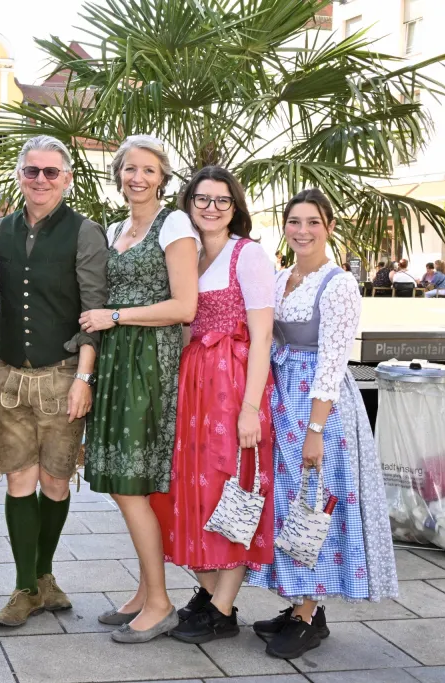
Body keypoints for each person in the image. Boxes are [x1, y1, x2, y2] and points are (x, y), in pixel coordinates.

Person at [246, 189, 398, 659]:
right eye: (294, 221)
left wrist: (316, 430)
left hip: (319, 408)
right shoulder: (281, 277)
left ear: (329, 226)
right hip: (282, 400)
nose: (303, 230)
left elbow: (332, 362)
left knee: (315, 502)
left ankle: (309, 614)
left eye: (313, 221)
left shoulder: (339, 284)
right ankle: (301, 606)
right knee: (291, 503)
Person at [80, 135, 199, 643]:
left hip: (151, 361)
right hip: (115, 361)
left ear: (163, 176)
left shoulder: (174, 224)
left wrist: (117, 316)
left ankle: (160, 602)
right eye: (130, 169)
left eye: (149, 170)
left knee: (133, 488)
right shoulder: (114, 227)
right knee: (125, 486)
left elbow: (184, 307)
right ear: (119, 175)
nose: (138, 178)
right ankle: (144, 590)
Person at [150, 167, 276, 644]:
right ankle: (211, 595)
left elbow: (262, 335)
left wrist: (249, 408)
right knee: (199, 493)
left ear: (235, 207)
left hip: (235, 380)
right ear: (189, 203)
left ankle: (221, 609)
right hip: (196, 382)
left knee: (234, 486)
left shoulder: (250, 254)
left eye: (222, 200)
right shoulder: (192, 255)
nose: (211, 207)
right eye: (202, 199)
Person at [0, 135, 107, 627]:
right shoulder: (0, 231)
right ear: (20, 175)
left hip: (62, 374)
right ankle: (25, 587)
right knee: (20, 479)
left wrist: (84, 376)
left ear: (67, 179)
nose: (40, 180)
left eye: (50, 172)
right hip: (10, 374)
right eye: (32, 171)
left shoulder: (85, 232)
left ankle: (44, 575)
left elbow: (93, 309)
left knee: (56, 482)